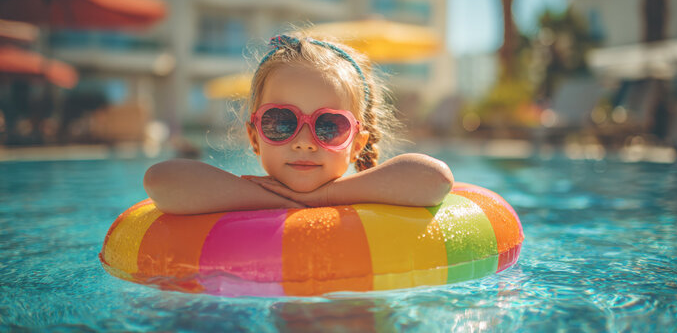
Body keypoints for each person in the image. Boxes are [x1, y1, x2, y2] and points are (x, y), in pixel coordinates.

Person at [143, 33, 454, 215]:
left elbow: (435, 179)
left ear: (356, 144)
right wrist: (274, 199)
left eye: (329, 126)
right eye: (280, 122)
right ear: (254, 137)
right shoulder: (234, 192)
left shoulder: (375, 190)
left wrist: (322, 197)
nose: (304, 141)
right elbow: (161, 180)